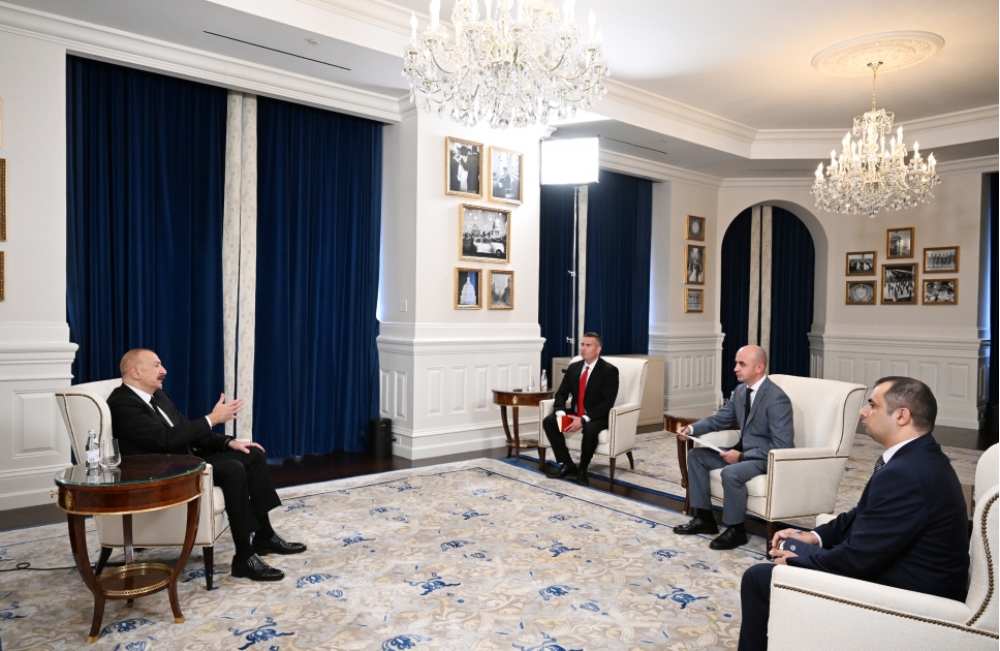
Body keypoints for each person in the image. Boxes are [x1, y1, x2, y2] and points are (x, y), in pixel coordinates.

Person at [738, 377, 970, 651]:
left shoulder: (906, 473)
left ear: (901, 416)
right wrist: (814, 537)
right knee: (792, 545)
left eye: (872, 405)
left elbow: (857, 561)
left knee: (758, 578)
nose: (863, 412)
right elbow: (863, 514)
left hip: (910, 597)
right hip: (902, 571)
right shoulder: (918, 457)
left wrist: (800, 562)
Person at [108, 349, 307, 582]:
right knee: (233, 469)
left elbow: (185, 431)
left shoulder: (159, 396)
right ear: (135, 372)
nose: (164, 371)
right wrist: (212, 419)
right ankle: (244, 557)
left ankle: (265, 536)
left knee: (251, 454)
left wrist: (227, 442)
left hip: (184, 461)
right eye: (156, 365)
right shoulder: (122, 403)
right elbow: (163, 439)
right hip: (162, 473)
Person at [673, 345, 793, 550]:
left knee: (731, 472)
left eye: (742, 364)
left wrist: (743, 456)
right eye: (736, 363)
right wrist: (691, 429)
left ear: (759, 368)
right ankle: (704, 519)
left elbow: (782, 445)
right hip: (743, 452)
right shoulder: (741, 391)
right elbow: (719, 420)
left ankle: (737, 530)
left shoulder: (776, 398)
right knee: (696, 456)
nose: (735, 368)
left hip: (764, 458)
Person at [541, 333, 620, 487]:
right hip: (576, 412)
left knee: (590, 429)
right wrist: (561, 413)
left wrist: (583, 419)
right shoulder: (574, 367)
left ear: (598, 349)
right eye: (582, 345)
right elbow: (561, 394)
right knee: (550, 421)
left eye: (588, 345)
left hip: (598, 416)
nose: (583, 348)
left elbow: (607, 403)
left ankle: (583, 469)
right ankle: (567, 464)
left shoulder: (609, 371)